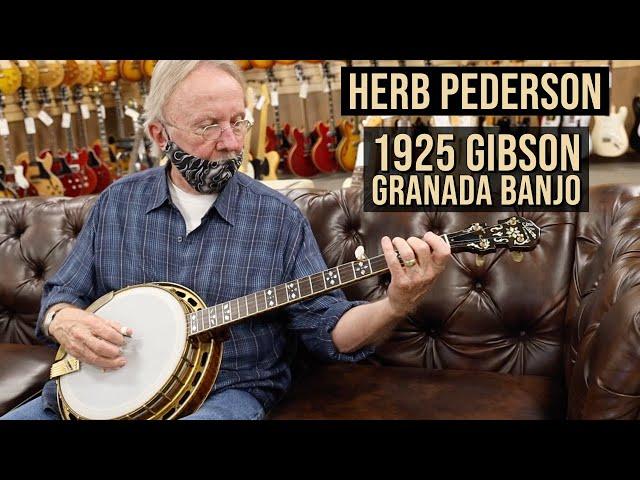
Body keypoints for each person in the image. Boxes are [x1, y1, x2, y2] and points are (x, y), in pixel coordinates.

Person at [1, 60, 450, 420]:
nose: (232, 142)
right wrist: (63, 320)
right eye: (208, 126)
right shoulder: (118, 202)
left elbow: (330, 332)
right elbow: (64, 295)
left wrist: (396, 302)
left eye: (238, 121)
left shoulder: (278, 220)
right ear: (160, 134)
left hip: (225, 393)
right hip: (105, 388)